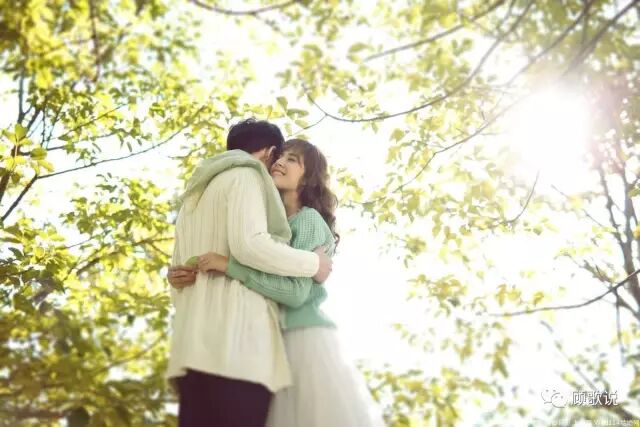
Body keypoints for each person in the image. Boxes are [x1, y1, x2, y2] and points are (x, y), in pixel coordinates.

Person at [171, 139, 385, 426]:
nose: (281, 162)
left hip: (302, 335)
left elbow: (296, 295)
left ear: (308, 178)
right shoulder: (273, 221)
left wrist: (230, 266)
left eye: (293, 159)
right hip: (276, 336)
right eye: (281, 156)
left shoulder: (307, 220)